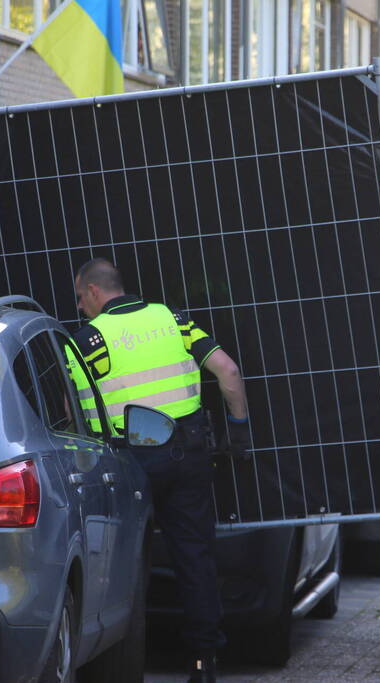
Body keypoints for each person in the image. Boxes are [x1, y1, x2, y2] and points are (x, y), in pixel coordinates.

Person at [72, 258, 250, 683]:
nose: (79, 308)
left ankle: (120, 664)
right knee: (194, 557)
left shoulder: (87, 341)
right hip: (188, 454)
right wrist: (239, 430)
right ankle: (204, 663)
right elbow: (227, 370)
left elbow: (73, 413)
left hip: (126, 462)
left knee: (120, 561)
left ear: (95, 292)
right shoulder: (173, 320)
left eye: (80, 297)